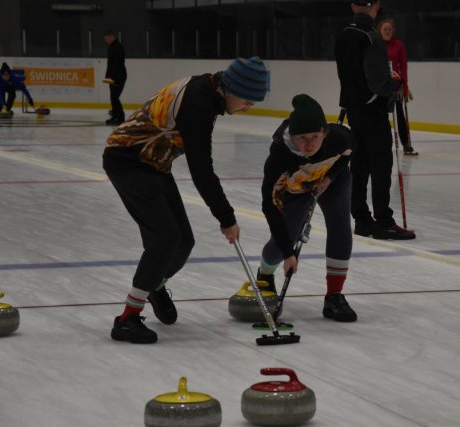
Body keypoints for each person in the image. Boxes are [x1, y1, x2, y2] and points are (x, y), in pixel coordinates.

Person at [103, 57, 270, 343]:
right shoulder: (199, 104)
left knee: (184, 241)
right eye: (247, 100)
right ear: (232, 88)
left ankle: (156, 285)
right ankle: (127, 319)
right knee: (165, 239)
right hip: (128, 161)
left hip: (154, 163)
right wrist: (226, 218)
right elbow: (202, 171)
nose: (248, 107)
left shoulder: (209, 91)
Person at [251, 94, 357, 322]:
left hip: (330, 181)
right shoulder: (279, 156)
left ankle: (334, 294)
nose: (309, 145)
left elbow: (347, 153)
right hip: (296, 188)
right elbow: (270, 206)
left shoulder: (340, 137)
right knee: (285, 238)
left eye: (315, 137)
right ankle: (265, 274)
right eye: (302, 138)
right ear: (292, 135)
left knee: (340, 226)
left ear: (325, 133)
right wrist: (289, 253)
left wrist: (330, 177)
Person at [335, 0, 416, 240]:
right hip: (372, 110)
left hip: (354, 109)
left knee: (359, 164)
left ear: (352, 6)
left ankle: (361, 219)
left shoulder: (344, 34)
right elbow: (378, 83)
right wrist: (396, 82)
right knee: (381, 163)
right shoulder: (371, 37)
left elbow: (347, 74)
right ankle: (383, 221)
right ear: (376, 6)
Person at [378, 18, 417, 155]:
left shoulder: (399, 45)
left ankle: (406, 144)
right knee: (381, 115)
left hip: (397, 84)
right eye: (385, 29)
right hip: (382, 85)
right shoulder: (377, 45)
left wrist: (405, 86)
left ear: (393, 31)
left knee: (400, 114)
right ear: (380, 31)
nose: (387, 31)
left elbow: (403, 66)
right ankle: (381, 143)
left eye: (390, 29)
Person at [103, 30, 127, 125]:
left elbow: (117, 64)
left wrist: (114, 78)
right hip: (113, 77)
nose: (106, 41)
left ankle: (120, 117)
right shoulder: (112, 47)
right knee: (113, 97)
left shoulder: (118, 47)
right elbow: (110, 64)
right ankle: (115, 116)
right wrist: (108, 77)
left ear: (111, 37)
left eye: (107, 39)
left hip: (118, 76)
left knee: (115, 97)